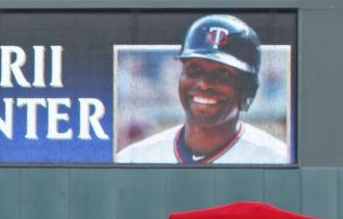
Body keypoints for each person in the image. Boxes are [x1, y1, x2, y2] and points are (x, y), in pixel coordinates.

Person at [116, 14, 289, 165]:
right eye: (194, 69)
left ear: (248, 89)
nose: (204, 84)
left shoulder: (277, 159)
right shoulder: (133, 159)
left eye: (223, 73)